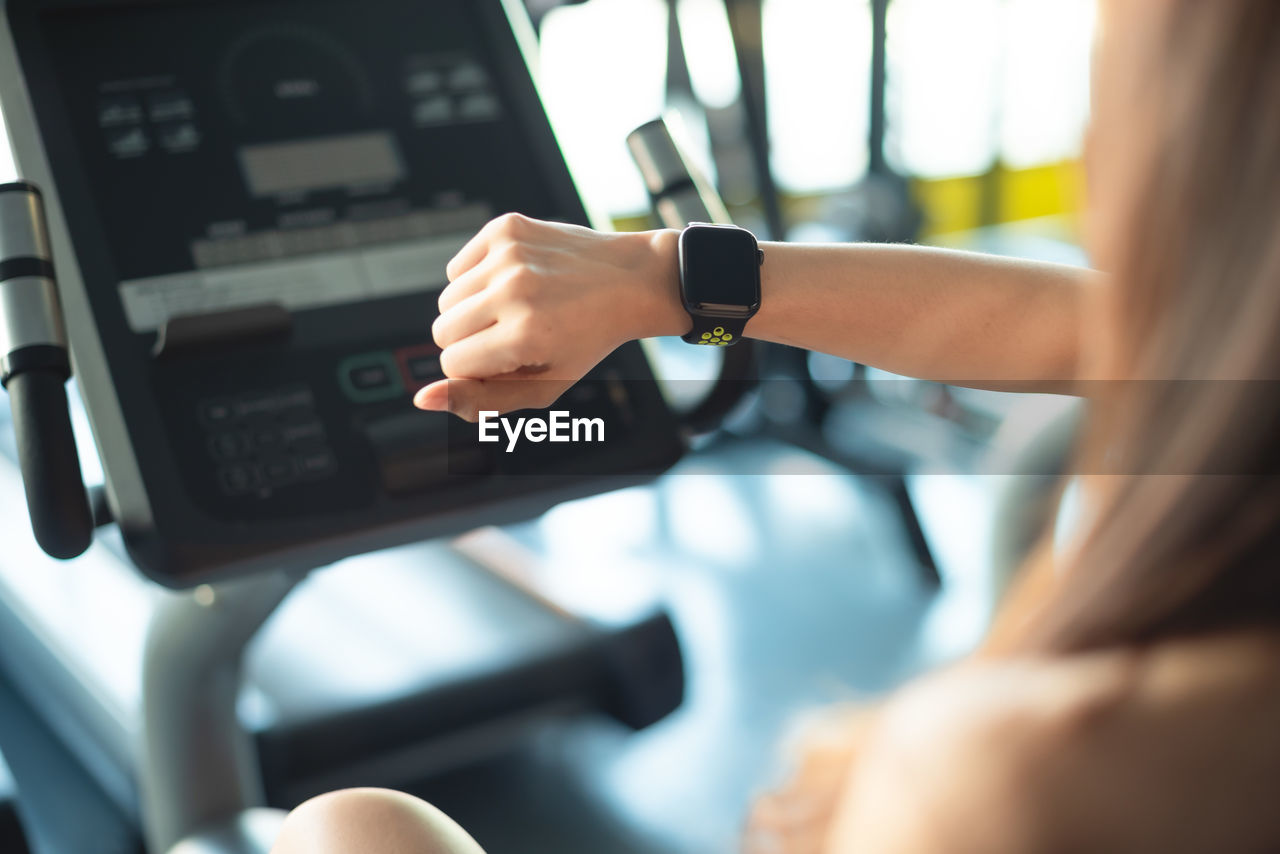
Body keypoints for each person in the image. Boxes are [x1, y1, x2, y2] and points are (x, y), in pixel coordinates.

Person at [271, 0, 1280, 850]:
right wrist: (657, 275)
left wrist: (863, 792)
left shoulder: (1016, 770)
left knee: (350, 825)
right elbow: (1083, 325)